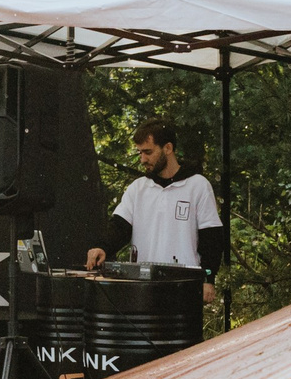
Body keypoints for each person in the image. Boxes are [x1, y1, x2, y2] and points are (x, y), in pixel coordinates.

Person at [84, 117, 226, 305]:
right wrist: (102, 247)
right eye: (140, 153)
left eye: (148, 152)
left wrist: (208, 279)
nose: (143, 159)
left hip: (184, 287)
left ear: (168, 148)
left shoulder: (198, 186)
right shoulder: (138, 188)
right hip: (143, 288)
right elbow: (119, 227)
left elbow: (211, 238)